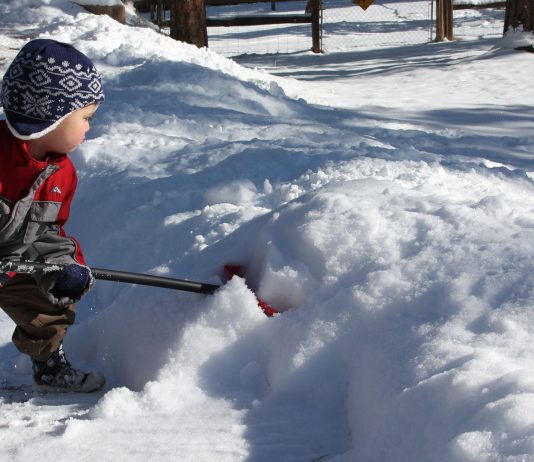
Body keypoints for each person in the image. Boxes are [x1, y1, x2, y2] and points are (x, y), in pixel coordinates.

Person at [0, 39, 105, 393]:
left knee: (50, 304)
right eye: (85, 118)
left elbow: (48, 232)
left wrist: (65, 264)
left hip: (13, 264)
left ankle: (47, 365)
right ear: (49, 116)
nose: (89, 128)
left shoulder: (63, 175)